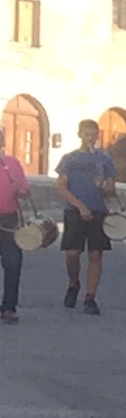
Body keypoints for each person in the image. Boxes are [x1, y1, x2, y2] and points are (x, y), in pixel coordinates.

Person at [55, 120, 116, 316]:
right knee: (72, 254)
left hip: (98, 211)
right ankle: (73, 283)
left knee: (95, 254)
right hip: (74, 211)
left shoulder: (104, 159)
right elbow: (61, 187)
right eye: (87, 134)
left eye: (93, 134)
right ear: (80, 135)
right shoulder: (69, 159)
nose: (90, 138)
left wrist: (103, 186)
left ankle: (90, 297)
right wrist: (80, 206)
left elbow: (111, 189)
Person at [0, 136, 27, 324]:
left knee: (13, 263)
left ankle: (9, 307)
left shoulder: (11, 164)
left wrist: (21, 190)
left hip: (8, 219)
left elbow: (25, 192)